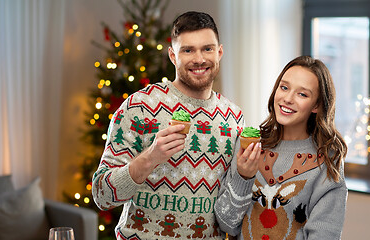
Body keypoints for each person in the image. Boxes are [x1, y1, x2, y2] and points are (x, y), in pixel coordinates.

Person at [92, 11, 245, 239]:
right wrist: (150, 157)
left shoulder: (233, 118)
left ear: (219, 52)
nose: (200, 59)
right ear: (173, 56)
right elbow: (102, 195)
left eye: (207, 48)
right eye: (188, 50)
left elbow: (231, 212)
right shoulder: (139, 106)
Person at [214, 56, 348, 239]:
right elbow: (227, 224)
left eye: (302, 94)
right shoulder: (248, 144)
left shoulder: (327, 160)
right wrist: (243, 177)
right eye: (284, 87)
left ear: (316, 105)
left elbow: (324, 234)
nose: (287, 99)